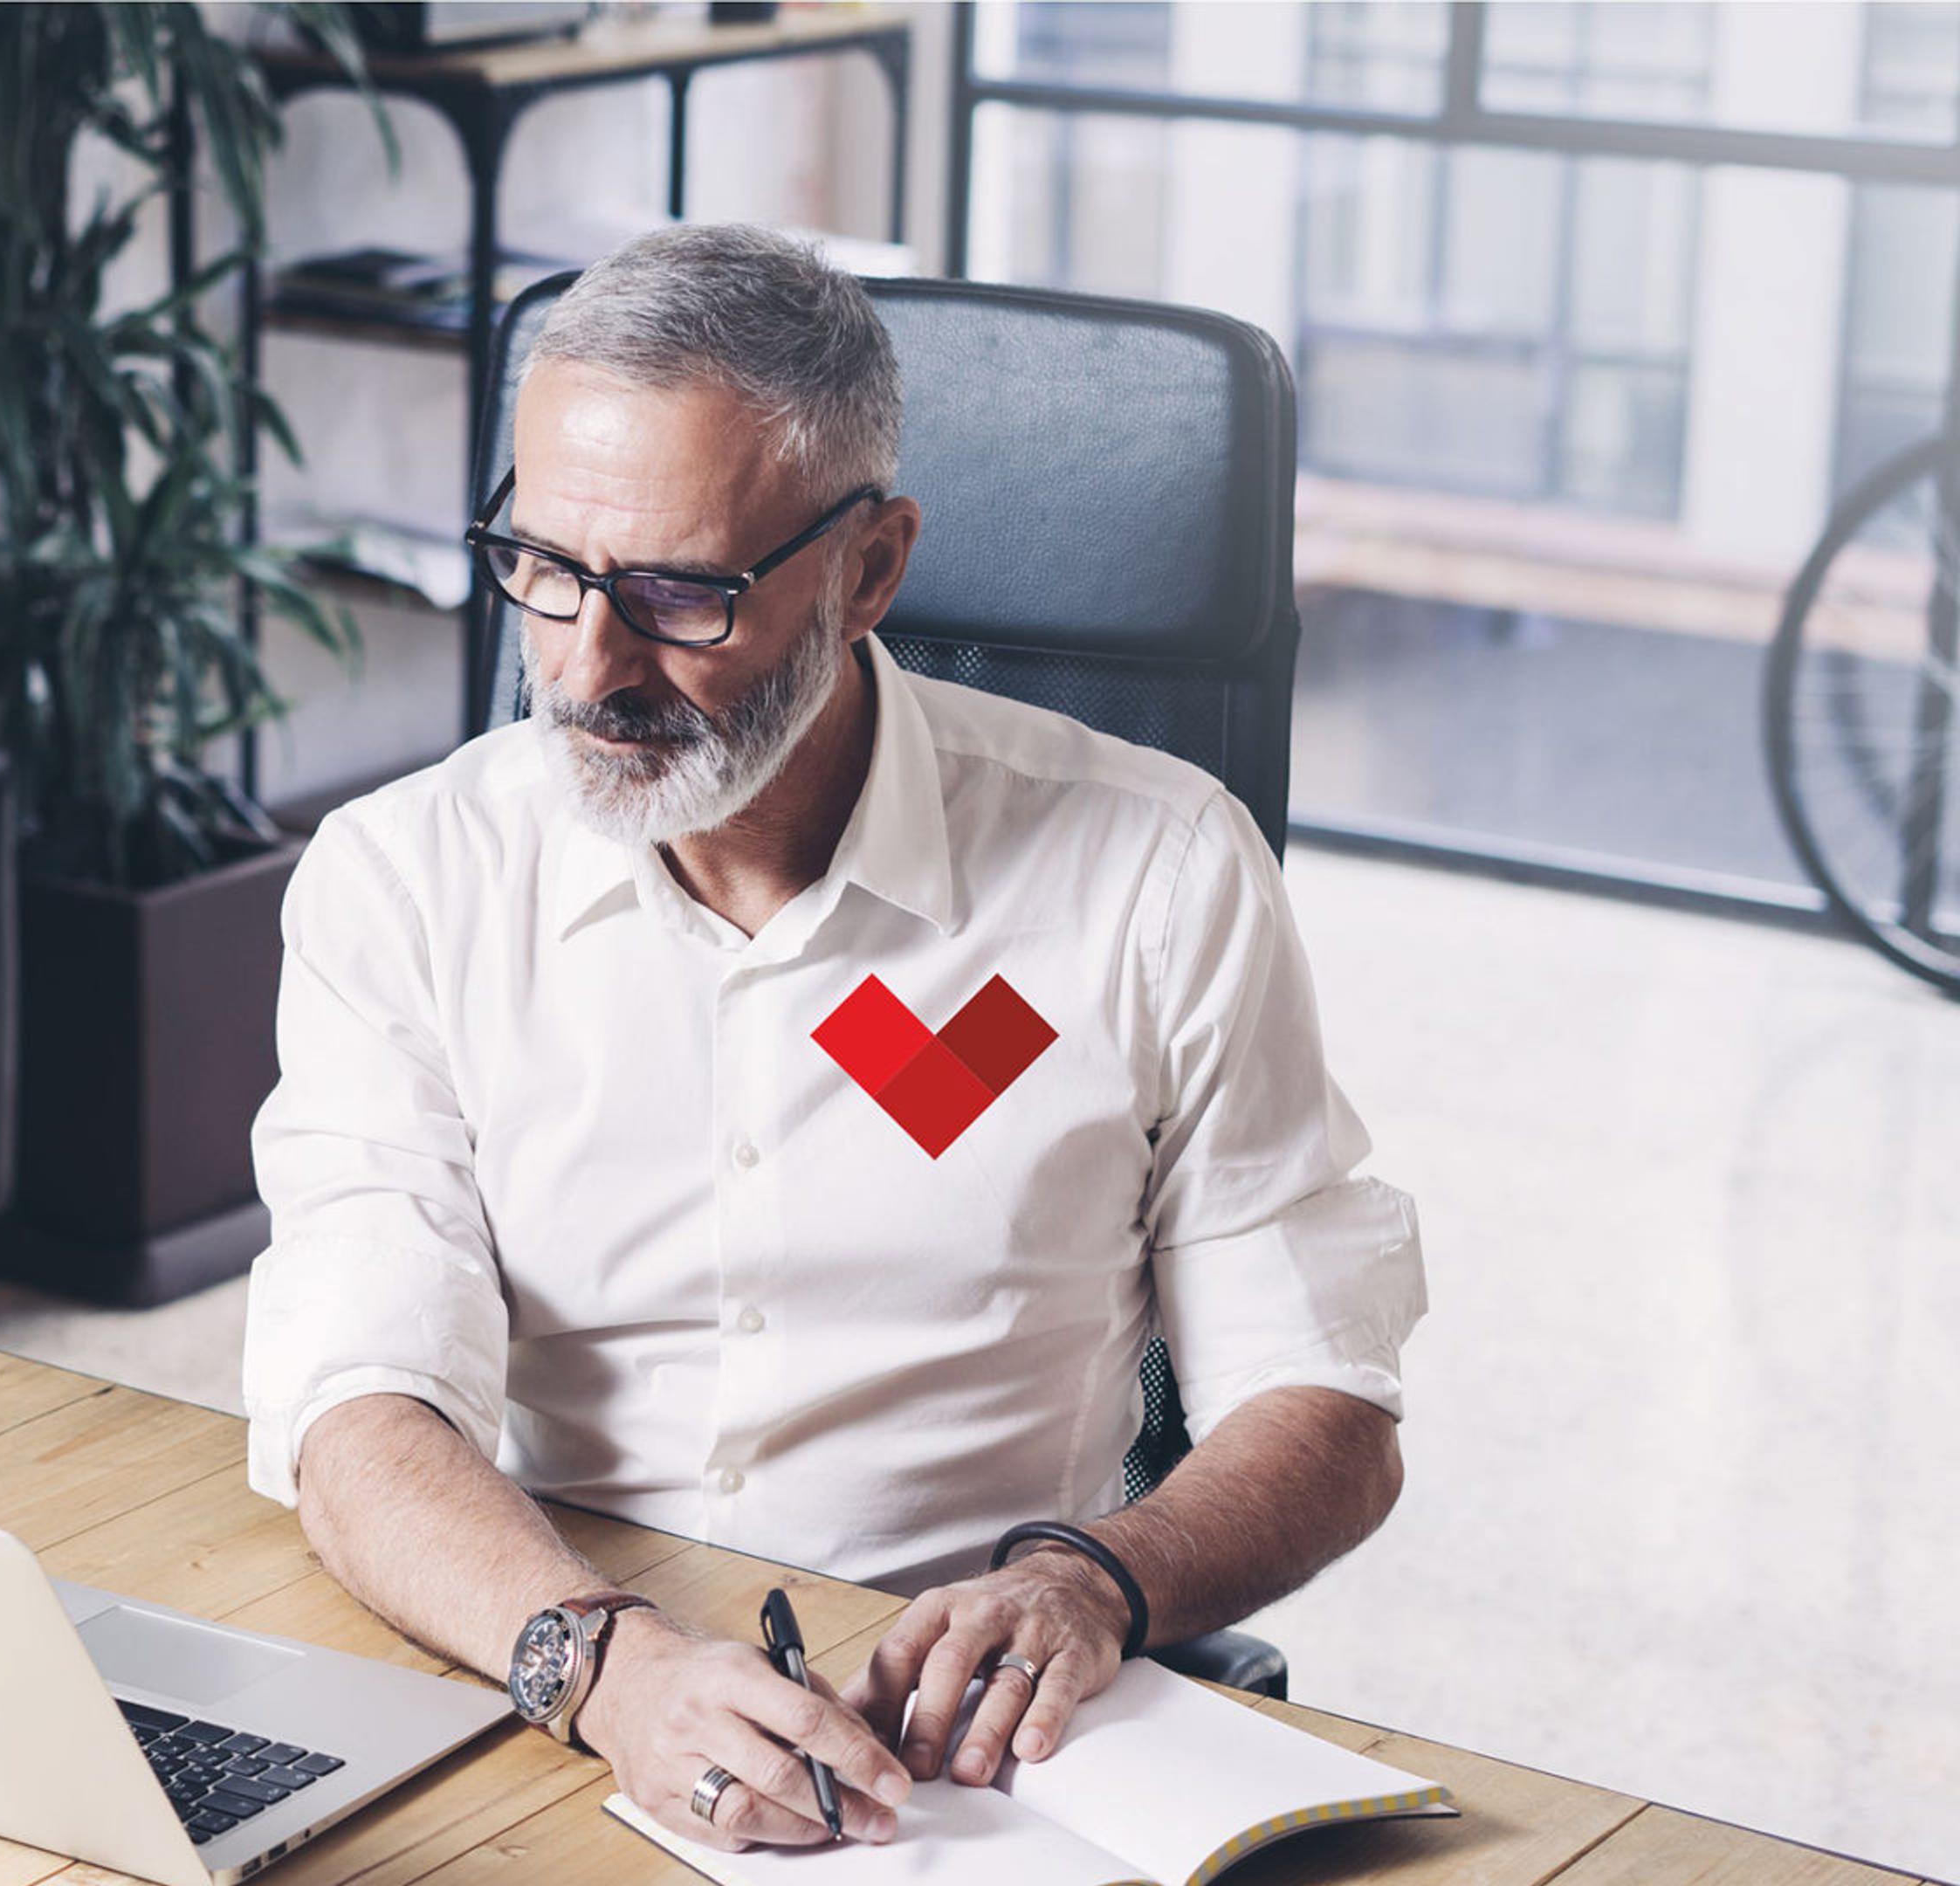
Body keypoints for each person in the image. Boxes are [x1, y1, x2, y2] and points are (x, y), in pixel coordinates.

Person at [239, 224, 1427, 1855]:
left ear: (872, 569)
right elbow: (355, 1402)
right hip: (549, 1668)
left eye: (679, 593)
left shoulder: (1152, 873)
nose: (591, 665)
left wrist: (1101, 1577)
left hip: (955, 1751)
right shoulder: (405, 880)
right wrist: (602, 1668)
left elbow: (1326, 1401)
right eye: (548, 569)